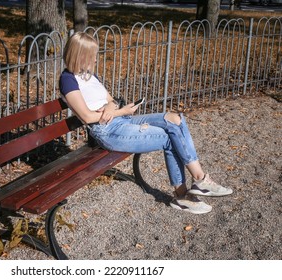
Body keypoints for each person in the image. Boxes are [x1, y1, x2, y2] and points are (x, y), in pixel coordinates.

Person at [59, 32, 233, 214]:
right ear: (81, 55)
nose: (96, 59)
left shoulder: (89, 76)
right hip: (109, 132)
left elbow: (112, 100)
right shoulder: (68, 80)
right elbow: (87, 117)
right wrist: (119, 111)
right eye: (93, 55)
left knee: (175, 119)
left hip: (122, 120)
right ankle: (183, 195)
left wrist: (112, 108)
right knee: (168, 137)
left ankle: (199, 180)